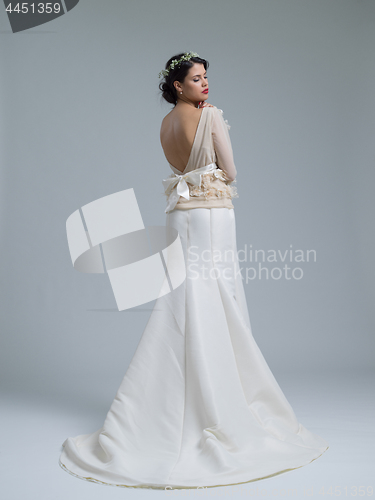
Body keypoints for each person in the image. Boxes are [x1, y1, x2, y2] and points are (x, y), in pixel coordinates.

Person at [58, 52, 329, 489]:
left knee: (184, 297)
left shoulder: (165, 125)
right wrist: (215, 137)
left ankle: (171, 402)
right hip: (211, 214)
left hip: (179, 215)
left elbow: (180, 166)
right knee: (217, 297)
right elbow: (232, 171)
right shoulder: (211, 116)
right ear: (178, 85)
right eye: (196, 79)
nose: (205, 84)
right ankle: (219, 400)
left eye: (206, 77)